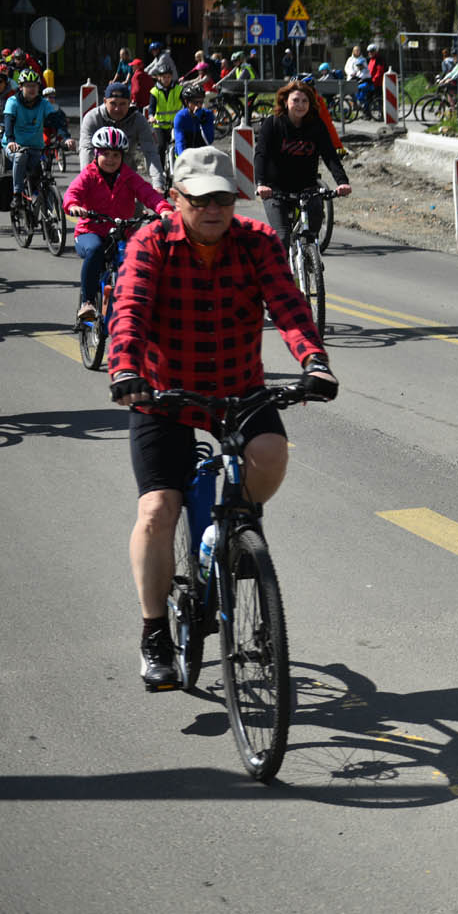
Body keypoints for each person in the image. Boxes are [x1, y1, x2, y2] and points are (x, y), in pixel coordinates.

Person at [107, 145, 337, 688]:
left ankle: (232, 531)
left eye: (224, 200)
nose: (214, 209)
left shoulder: (256, 243)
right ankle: (156, 631)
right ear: (175, 199)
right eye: (201, 199)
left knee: (271, 453)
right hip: (163, 392)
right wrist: (124, 370)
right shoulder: (152, 243)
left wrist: (315, 360)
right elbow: (130, 310)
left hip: (237, 387)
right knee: (157, 510)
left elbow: (288, 306)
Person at [63, 126, 172, 322]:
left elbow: (148, 193)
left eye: (116, 155)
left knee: (140, 259)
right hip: (90, 231)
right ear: (96, 154)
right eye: (106, 154)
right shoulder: (88, 175)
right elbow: (72, 194)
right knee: (95, 250)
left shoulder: (129, 176)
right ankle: (87, 302)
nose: (111, 159)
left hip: (121, 232)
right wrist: (74, 206)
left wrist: (163, 208)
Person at [254, 79, 352, 251]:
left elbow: (329, 156)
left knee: (311, 231)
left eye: (305, 101)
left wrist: (342, 181)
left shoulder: (316, 125)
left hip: (307, 188)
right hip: (276, 190)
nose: (300, 105)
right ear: (285, 101)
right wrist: (261, 183)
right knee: (283, 236)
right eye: (295, 100)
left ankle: (309, 263)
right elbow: (261, 155)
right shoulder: (273, 123)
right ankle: (282, 275)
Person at [4, 70, 71, 202]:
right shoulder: (12, 102)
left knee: (42, 174)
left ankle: (45, 204)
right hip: (15, 146)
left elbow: (56, 121)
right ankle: (16, 194)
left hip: (36, 146)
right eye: (28, 85)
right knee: (20, 156)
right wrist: (11, 141)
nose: (32, 89)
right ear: (21, 87)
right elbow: (9, 122)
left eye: (34, 86)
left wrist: (66, 138)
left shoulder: (43, 103)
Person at [79, 81, 163, 185]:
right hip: (98, 178)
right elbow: (86, 150)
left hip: (126, 177)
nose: (117, 109)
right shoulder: (92, 118)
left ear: (129, 103)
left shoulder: (138, 120)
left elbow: (150, 152)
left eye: (122, 104)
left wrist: (158, 183)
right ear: (105, 101)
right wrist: (87, 182)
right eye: (113, 103)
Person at [146, 65, 183, 172]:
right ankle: (160, 171)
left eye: (168, 77)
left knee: (179, 146)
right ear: (159, 78)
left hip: (175, 124)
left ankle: (179, 168)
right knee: (161, 147)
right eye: (164, 77)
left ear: (171, 77)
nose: (166, 79)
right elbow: (152, 108)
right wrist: (151, 117)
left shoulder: (178, 89)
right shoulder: (154, 91)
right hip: (160, 124)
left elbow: (186, 104)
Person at [171, 82, 216, 157]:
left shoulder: (208, 114)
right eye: (195, 102)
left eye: (201, 102)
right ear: (186, 102)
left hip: (201, 155)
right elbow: (180, 142)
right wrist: (183, 158)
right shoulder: (180, 117)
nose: (198, 105)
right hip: (184, 155)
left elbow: (209, 141)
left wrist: (202, 121)